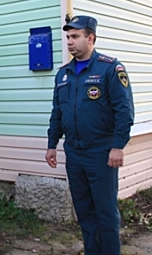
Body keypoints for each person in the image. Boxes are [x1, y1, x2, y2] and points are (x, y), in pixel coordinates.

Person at [45, 15, 134, 255]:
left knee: (105, 212)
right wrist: (52, 143)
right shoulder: (63, 74)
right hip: (74, 153)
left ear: (90, 38)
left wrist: (118, 146)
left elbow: (124, 111)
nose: (70, 42)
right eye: (68, 37)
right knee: (84, 212)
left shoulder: (110, 68)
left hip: (101, 153)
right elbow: (58, 112)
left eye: (75, 37)